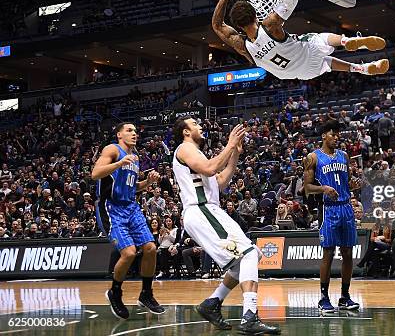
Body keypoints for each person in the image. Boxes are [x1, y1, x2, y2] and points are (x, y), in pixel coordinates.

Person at [171, 117, 280, 334]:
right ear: (185, 131)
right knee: (248, 254)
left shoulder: (196, 153)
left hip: (208, 210)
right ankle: (249, 316)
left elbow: (220, 181)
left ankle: (212, 303)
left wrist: (235, 153)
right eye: (195, 124)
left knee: (253, 255)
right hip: (201, 210)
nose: (200, 125)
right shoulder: (184, 148)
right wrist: (229, 144)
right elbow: (211, 168)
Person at [212, 0, 389, 81]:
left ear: (236, 25)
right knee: (318, 38)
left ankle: (363, 68)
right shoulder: (270, 25)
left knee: (326, 63)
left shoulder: (242, 46)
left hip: (299, 74)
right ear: (255, 16)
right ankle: (345, 41)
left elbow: (217, 25)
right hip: (305, 53)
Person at [92, 122, 165, 319]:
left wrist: (148, 183)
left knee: (151, 247)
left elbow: (133, 187)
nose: (134, 134)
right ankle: (115, 292)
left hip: (131, 206)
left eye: (135, 131)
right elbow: (95, 173)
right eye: (129, 130)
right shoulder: (112, 149)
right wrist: (118, 163)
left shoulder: (136, 157)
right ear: (119, 135)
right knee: (129, 252)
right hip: (111, 207)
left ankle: (146, 294)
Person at [304, 120, 359, 313]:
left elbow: (348, 182)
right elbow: (307, 187)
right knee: (328, 252)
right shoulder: (313, 157)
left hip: (346, 207)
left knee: (348, 253)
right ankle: (324, 297)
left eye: (338, 134)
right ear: (323, 136)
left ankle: (345, 296)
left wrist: (355, 184)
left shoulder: (344, 156)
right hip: (329, 209)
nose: (336, 137)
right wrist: (324, 189)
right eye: (332, 134)